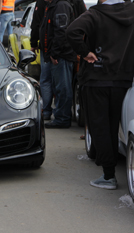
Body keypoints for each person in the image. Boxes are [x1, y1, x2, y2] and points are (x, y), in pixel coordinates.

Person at [67, 0, 134, 190]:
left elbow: (72, 32)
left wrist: (85, 52)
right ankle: (111, 168)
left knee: (100, 127)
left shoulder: (95, 14)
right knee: (114, 125)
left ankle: (109, 175)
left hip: (96, 79)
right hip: (123, 80)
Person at [36, 0, 77, 128]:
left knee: (63, 88)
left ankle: (63, 119)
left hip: (61, 56)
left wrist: (54, 53)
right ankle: (60, 116)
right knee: (59, 88)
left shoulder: (61, 6)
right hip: (57, 55)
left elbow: (61, 32)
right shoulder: (52, 6)